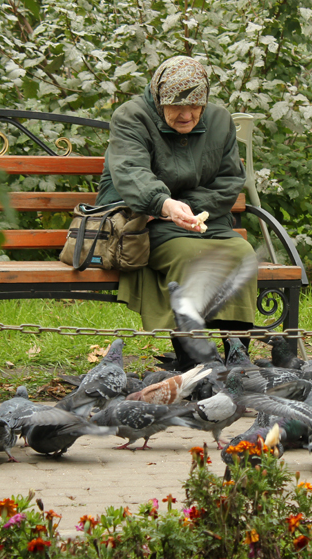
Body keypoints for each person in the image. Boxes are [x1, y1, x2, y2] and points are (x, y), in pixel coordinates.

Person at [95, 55, 256, 367]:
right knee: (191, 257)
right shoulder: (131, 117)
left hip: (206, 222)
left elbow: (230, 179)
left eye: (196, 106)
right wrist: (165, 204)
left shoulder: (219, 120)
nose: (187, 115)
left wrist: (191, 211)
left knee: (243, 253)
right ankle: (193, 362)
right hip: (143, 220)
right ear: (158, 98)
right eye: (176, 106)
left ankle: (238, 361)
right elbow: (131, 173)